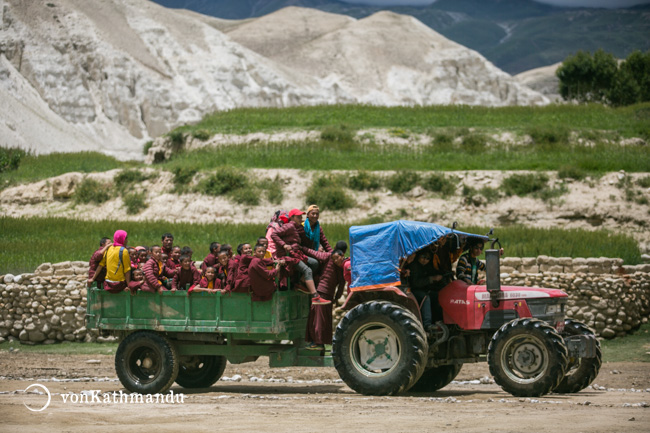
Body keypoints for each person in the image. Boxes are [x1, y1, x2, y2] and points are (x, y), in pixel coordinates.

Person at [271, 208, 329, 305]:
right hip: (289, 256)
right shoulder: (289, 226)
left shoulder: (296, 227)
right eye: (298, 217)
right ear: (292, 217)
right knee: (308, 270)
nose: (300, 219)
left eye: (301, 216)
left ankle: (301, 281)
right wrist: (284, 245)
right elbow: (274, 234)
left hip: (297, 254)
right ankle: (315, 296)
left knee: (315, 263)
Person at [302, 246, 347, 350]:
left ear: (342, 255)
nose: (336, 260)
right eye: (334, 258)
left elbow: (314, 253)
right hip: (329, 295)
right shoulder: (342, 266)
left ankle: (317, 343)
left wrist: (301, 248)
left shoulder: (328, 257)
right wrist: (336, 297)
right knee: (324, 319)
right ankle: (320, 342)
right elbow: (341, 284)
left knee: (317, 318)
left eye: (337, 258)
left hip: (321, 293)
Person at [409, 250, 444, 333]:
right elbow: (415, 283)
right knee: (426, 297)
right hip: (413, 290)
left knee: (437, 295)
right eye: (423, 257)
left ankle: (438, 320)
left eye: (427, 258)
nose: (425, 260)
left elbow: (434, 272)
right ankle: (427, 324)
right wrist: (431, 279)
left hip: (424, 289)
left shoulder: (427, 266)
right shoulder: (414, 266)